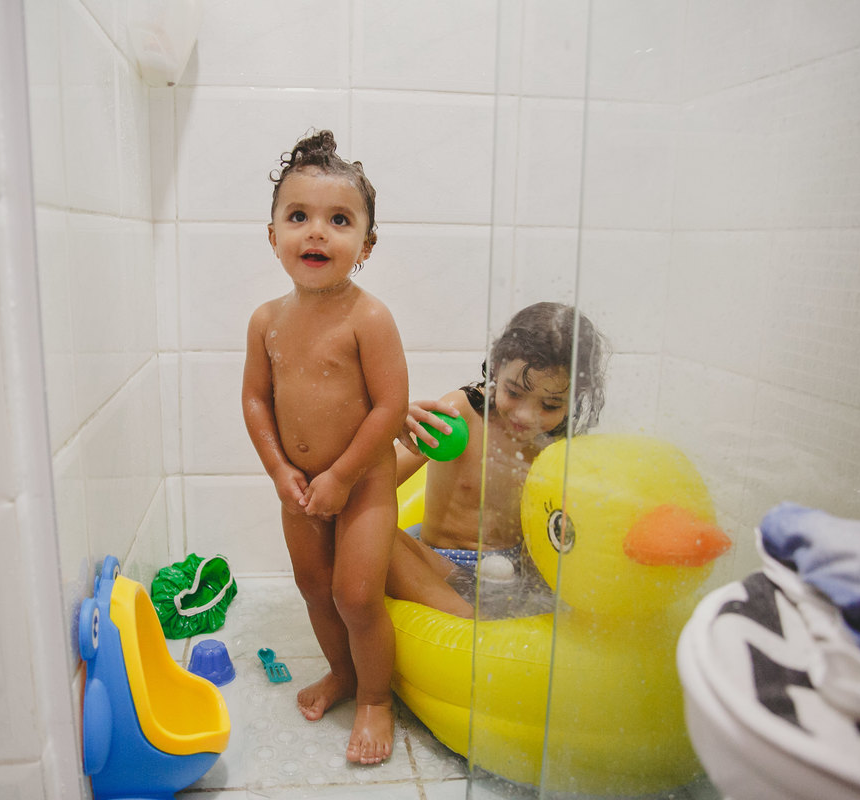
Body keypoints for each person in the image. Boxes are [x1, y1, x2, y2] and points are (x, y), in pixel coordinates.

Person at [242, 130, 407, 764]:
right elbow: (256, 400)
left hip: (362, 481)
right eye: (299, 216)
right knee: (314, 587)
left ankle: (375, 698)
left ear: (364, 245)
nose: (317, 232)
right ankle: (341, 671)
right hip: (300, 487)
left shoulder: (369, 317)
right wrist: (281, 471)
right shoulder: (265, 320)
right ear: (273, 234)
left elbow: (390, 407)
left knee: (356, 594)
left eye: (339, 220)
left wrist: (341, 476)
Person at [384, 302, 609, 617]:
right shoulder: (461, 415)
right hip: (439, 563)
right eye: (514, 393)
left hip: (514, 571)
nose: (526, 416)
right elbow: (377, 482)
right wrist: (392, 424)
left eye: (550, 405)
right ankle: (466, 616)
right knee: (370, 534)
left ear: (576, 399)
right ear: (497, 369)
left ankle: (479, 615)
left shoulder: (559, 446)